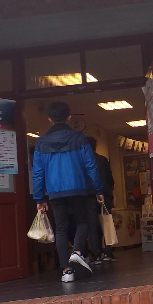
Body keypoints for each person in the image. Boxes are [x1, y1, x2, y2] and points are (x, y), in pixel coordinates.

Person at [32, 101, 105, 283]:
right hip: (77, 188)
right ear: (69, 117)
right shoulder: (79, 138)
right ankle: (77, 252)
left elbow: (38, 172)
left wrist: (39, 198)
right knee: (83, 222)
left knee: (61, 228)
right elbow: (90, 166)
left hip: (55, 192)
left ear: (49, 119)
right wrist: (98, 189)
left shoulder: (41, 143)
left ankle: (66, 271)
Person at [69, 136, 117, 264]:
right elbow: (110, 179)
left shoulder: (79, 162)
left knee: (92, 225)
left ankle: (96, 255)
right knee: (106, 223)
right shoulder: (103, 160)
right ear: (95, 146)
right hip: (104, 195)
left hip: (88, 197)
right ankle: (107, 252)